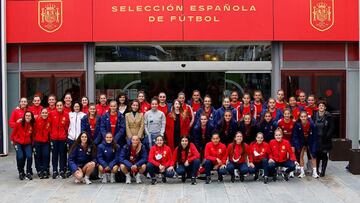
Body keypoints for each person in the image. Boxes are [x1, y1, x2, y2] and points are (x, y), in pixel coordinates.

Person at [292, 111, 319, 178]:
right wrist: (298, 146)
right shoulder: (297, 125)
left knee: (313, 155)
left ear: (307, 117)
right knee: (301, 155)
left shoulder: (312, 125)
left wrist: (314, 147)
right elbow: (295, 136)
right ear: (300, 117)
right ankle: (302, 172)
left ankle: (315, 172)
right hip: (302, 141)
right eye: (302, 117)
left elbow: (315, 137)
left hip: (311, 140)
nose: (303, 118)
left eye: (305, 116)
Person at [11, 111, 35, 180]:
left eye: (29, 116)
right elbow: (13, 133)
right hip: (18, 143)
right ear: (24, 116)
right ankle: (21, 172)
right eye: (26, 115)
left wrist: (32, 144)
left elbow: (33, 135)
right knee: (20, 157)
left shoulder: (32, 124)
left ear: (31, 117)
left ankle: (28, 173)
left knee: (29, 156)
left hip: (27, 144)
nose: (28, 117)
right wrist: (13, 141)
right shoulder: (19, 123)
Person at [50, 101, 70, 179]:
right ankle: (55, 170)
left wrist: (64, 134)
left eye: (60, 105)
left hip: (62, 138)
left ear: (63, 106)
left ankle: (62, 170)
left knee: (62, 155)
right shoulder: (52, 114)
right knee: (54, 155)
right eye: (57, 105)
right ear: (56, 106)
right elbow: (49, 125)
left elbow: (68, 125)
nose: (59, 107)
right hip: (54, 138)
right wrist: (51, 134)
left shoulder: (66, 114)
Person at [313, 101, 334, 177]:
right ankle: (317, 170)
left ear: (325, 107)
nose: (321, 107)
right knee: (318, 154)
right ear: (317, 107)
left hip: (325, 139)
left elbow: (331, 128)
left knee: (324, 154)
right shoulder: (315, 115)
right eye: (320, 105)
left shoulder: (329, 116)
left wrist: (327, 136)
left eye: (323, 106)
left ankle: (323, 171)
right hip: (316, 138)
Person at [34, 108, 51, 179]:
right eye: (43, 113)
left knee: (46, 155)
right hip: (37, 141)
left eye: (46, 113)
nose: (44, 114)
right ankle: (39, 171)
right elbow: (33, 131)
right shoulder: (36, 120)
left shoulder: (49, 121)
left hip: (46, 142)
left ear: (47, 114)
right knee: (38, 156)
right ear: (40, 113)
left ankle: (45, 170)